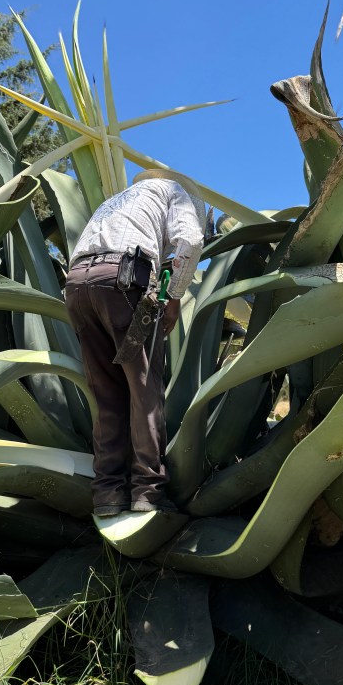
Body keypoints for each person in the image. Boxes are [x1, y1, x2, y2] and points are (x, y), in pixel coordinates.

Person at [65, 168, 206, 517]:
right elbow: (190, 241)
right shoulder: (173, 191)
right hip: (122, 279)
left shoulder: (113, 202)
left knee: (107, 395)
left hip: (77, 285)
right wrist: (173, 296)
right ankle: (148, 493)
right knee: (143, 388)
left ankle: (107, 495)